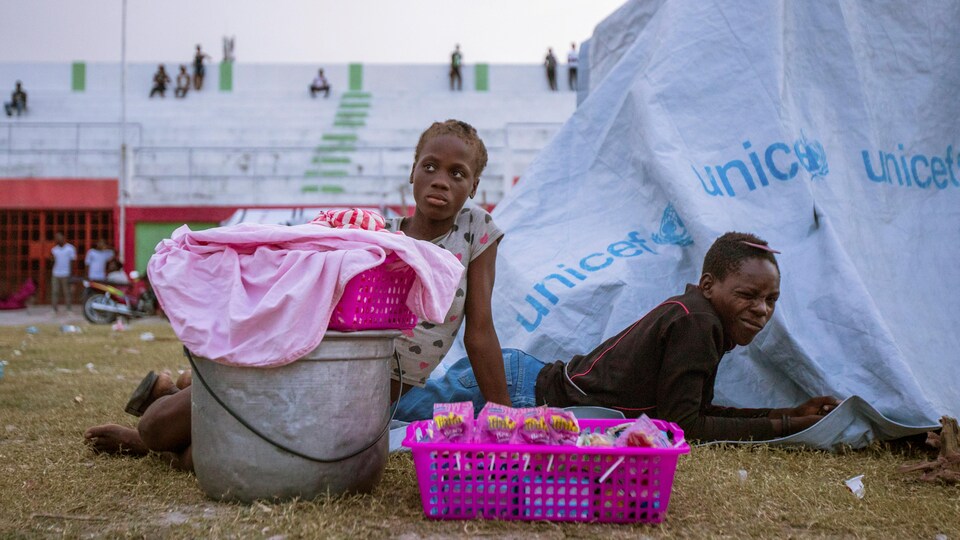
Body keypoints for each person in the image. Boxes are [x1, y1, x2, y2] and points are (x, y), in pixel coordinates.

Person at [84, 119, 513, 469]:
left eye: (458, 174)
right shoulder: (378, 237)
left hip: (370, 393)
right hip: (311, 363)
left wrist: (505, 422)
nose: (441, 180)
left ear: (473, 188)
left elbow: (479, 332)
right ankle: (158, 426)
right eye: (430, 166)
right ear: (412, 173)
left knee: (202, 458)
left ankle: (178, 410)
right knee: (156, 427)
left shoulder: (476, 232)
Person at [394, 232, 842, 442]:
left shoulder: (699, 317)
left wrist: (788, 413)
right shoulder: (697, 322)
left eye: (771, 300)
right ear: (709, 286)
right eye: (748, 294)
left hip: (523, 382)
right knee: (383, 412)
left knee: (391, 411)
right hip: (516, 392)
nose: (761, 309)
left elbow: (688, 415)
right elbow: (686, 428)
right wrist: (788, 426)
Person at [50, 233, 76, 313]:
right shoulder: (54, 250)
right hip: (56, 273)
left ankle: (69, 309)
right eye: (56, 238)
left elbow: (72, 262)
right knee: (55, 291)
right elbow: (52, 262)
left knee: (67, 292)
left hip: (66, 274)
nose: (58, 240)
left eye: (59, 238)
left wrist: (72, 275)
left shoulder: (70, 248)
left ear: (63, 238)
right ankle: (54, 309)